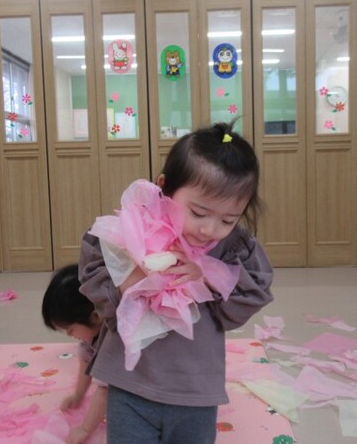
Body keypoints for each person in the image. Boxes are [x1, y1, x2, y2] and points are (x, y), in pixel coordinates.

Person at [79, 120, 274, 444]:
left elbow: (250, 294)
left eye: (228, 219)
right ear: (164, 187)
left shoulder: (234, 246)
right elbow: (94, 267)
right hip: (130, 381)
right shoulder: (134, 226)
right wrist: (133, 277)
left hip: (195, 389)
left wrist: (207, 275)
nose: (209, 229)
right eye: (198, 212)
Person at [42, 263, 107, 444]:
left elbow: (105, 390)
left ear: (96, 316)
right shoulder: (91, 334)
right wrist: (78, 395)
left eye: (70, 329)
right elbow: (86, 360)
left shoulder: (114, 339)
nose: (69, 335)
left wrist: (85, 429)